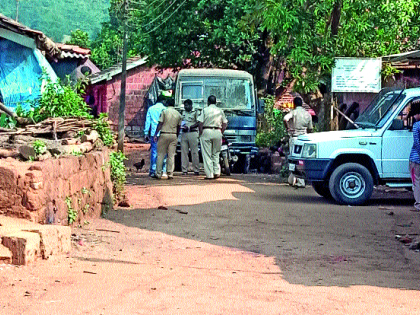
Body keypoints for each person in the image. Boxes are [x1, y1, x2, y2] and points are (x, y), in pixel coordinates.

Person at [284, 96, 313, 188]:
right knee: (301, 160)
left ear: (294, 104)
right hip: (304, 138)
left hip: (295, 137)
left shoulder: (294, 112)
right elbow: (310, 128)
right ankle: (298, 180)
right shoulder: (307, 114)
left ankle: (294, 180)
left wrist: (288, 127)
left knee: (293, 159)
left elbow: (285, 118)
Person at [198, 95, 228, 180]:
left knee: (207, 154)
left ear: (208, 102)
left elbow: (200, 123)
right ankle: (216, 172)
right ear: (216, 102)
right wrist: (221, 132)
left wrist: (201, 133)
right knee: (216, 153)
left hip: (206, 131)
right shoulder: (220, 111)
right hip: (217, 131)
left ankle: (209, 175)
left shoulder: (205, 110)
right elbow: (225, 123)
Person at [153, 98, 182, 179]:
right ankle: (170, 173)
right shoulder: (178, 114)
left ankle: (158, 173)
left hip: (164, 134)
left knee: (160, 155)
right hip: (173, 135)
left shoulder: (164, 112)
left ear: (166, 103)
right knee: (171, 155)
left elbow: (160, 123)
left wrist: (155, 134)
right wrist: (176, 134)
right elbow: (179, 127)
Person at [144, 96, 167, 177]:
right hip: (163, 133)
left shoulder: (151, 109)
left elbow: (148, 122)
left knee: (154, 152)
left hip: (153, 133)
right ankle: (163, 170)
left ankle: (153, 171)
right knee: (164, 152)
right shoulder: (165, 109)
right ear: (163, 101)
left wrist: (146, 133)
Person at [181, 99, 200, 175]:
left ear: (191, 105)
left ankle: (196, 170)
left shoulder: (196, 112)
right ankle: (184, 170)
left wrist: (190, 127)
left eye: (187, 105)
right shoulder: (183, 112)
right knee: (184, 152)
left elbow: (198, 122)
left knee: (194, 152)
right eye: (185, 105)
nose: (185, 107)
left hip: (193, 133)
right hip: (184, 133)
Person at [409, 101, 420, 211]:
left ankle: (418, 204)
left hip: (415, 159)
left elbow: (417, 143)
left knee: (416, 182)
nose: (414, 116)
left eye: (415, 114)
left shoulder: (416, 126)